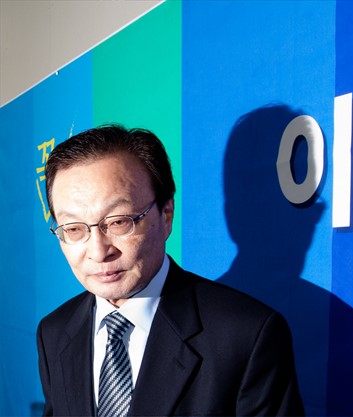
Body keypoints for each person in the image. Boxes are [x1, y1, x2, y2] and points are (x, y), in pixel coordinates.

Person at [36, 124, 305, 416]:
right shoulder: (54, 333)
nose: (99, 251)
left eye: (119, 222)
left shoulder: (247, 335)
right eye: (73, 229)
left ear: (166, 215)